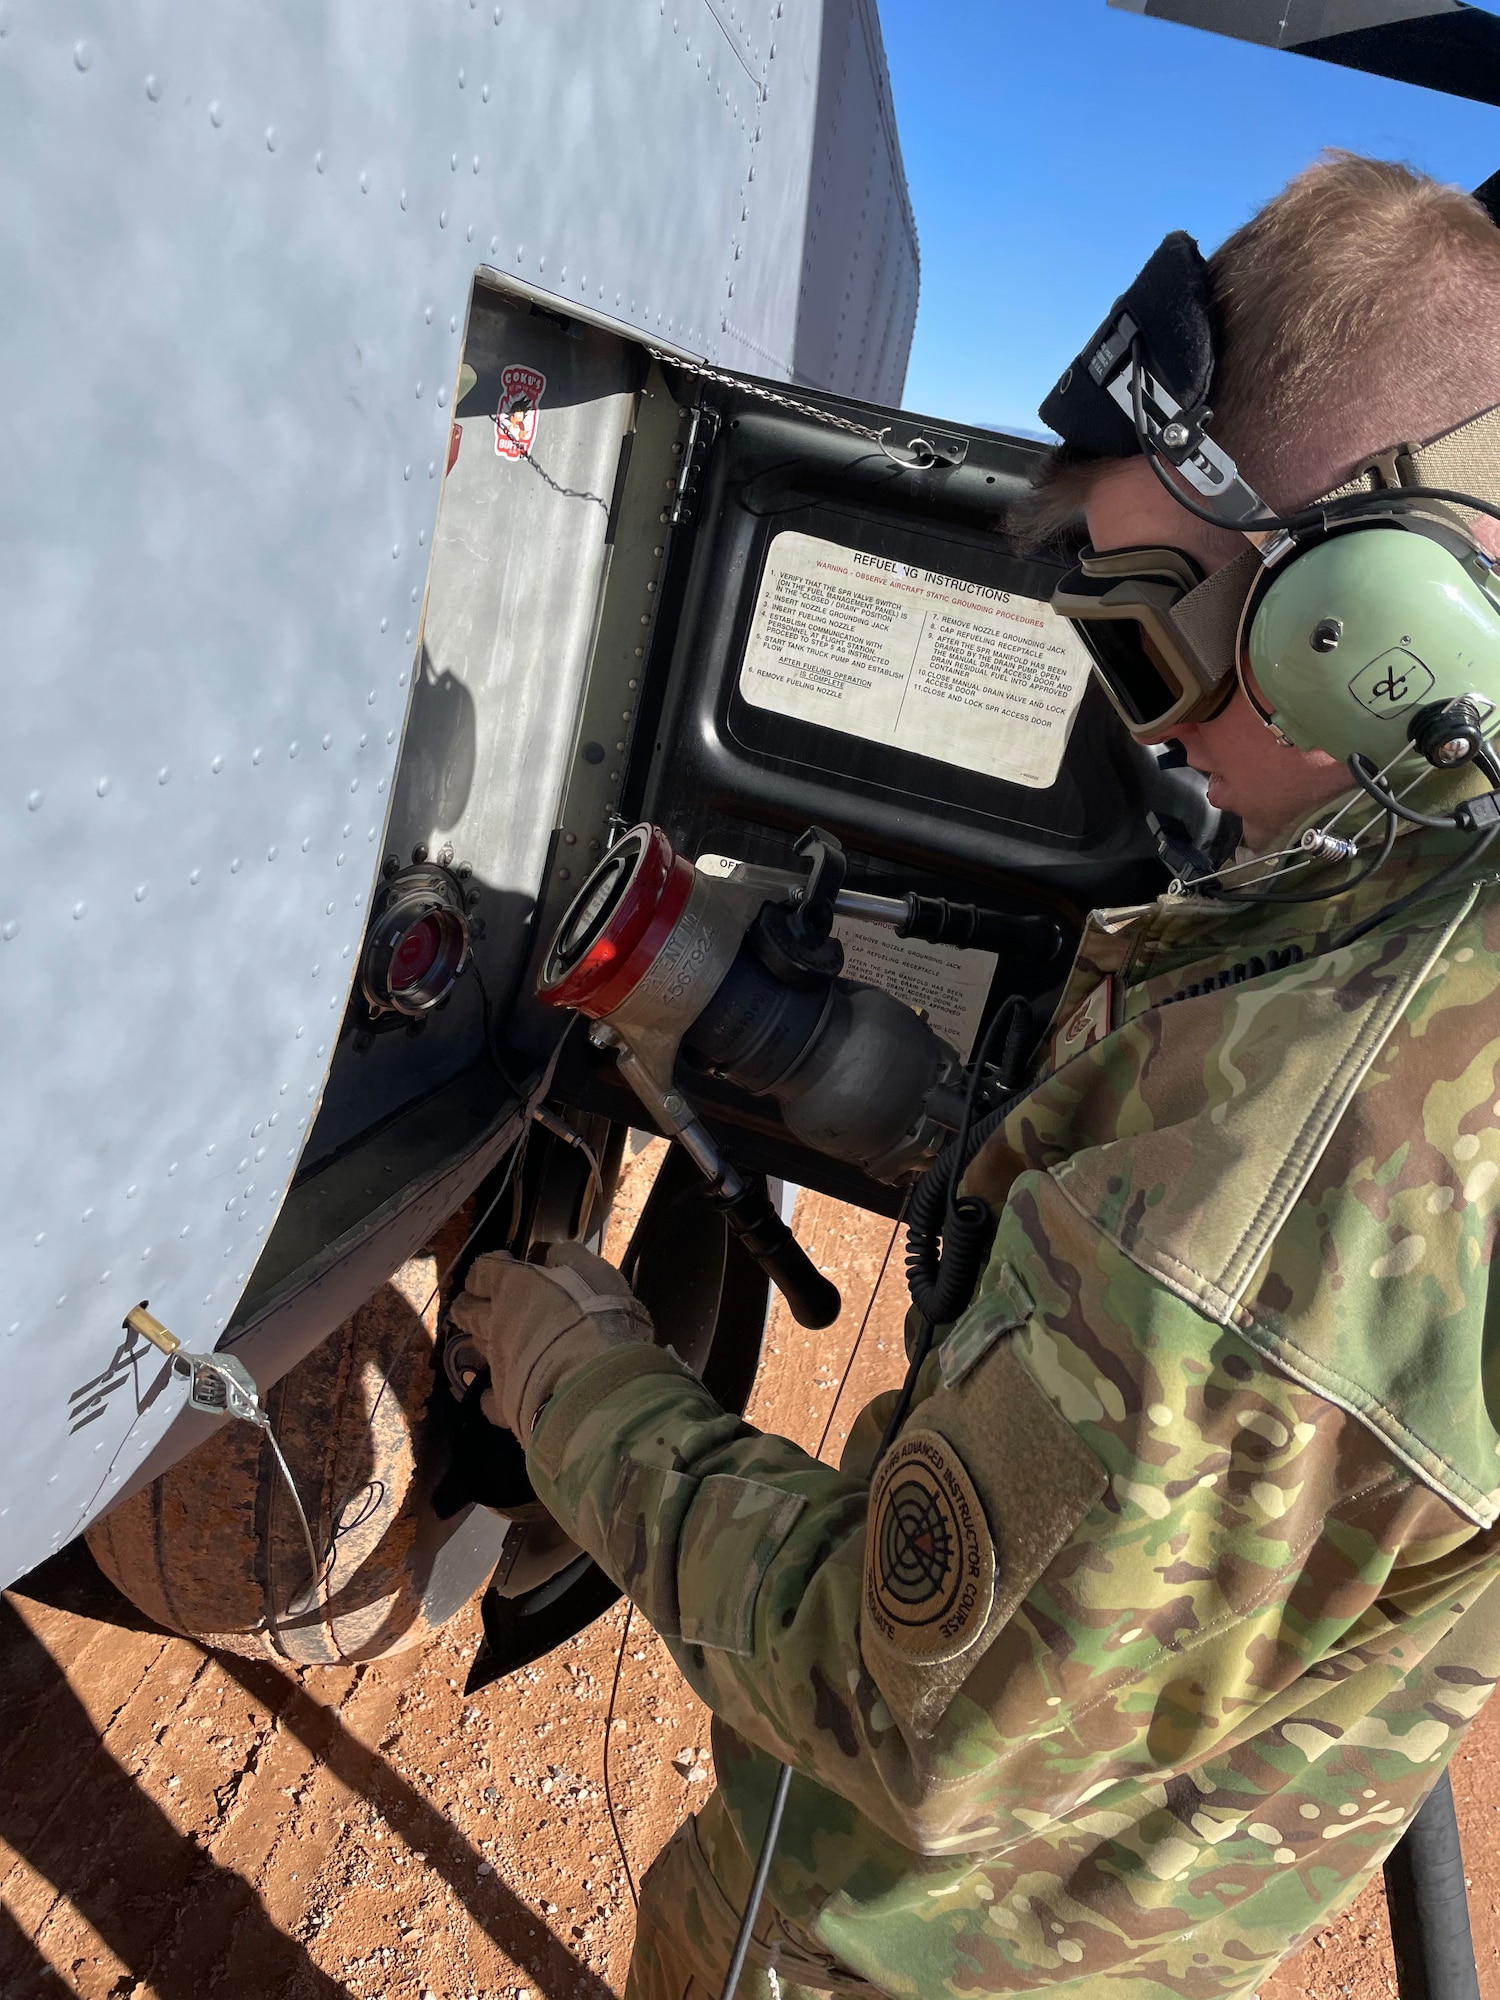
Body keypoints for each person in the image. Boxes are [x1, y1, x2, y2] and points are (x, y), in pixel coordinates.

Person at [451, 155, 1500, 1999]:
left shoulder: (1292, 1206)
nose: (1147, 727)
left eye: (1157, 634)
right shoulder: (1422, 868)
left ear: (1382, 623)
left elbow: (889, 1690)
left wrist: (566, 1371)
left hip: (917, 1950)